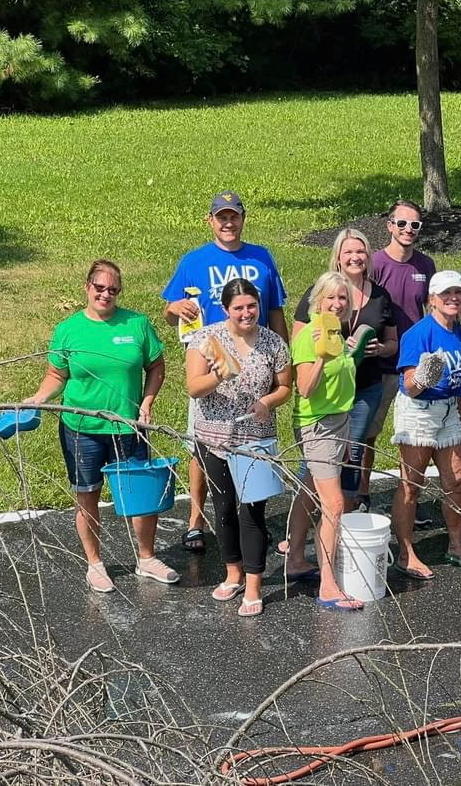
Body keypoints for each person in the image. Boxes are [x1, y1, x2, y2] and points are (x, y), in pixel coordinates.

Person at [26, 260, 175, 593]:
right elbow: (56, 375)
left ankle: (147, 558)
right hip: (81, 429)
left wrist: (147, 403)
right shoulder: (68, 329)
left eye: (113, 289)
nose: (106, 294)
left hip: (128, 426)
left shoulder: (137, 324)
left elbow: (156, 367)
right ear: (87, 287)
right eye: (100, 287)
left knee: (140, 495)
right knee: (87, 494)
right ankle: (95, 564)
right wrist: (39, 397)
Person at [162, 190, 289, 555]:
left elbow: (275, 310)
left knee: (253, 442)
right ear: (211, 221)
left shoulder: (262, 257)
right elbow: (170, 313)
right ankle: (196, 519)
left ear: (243, 219)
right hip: (211, 363)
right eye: (222, 217)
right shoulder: (194, 260)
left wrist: (283, 355)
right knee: (202, 445)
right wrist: (175, 308)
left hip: (256, 359)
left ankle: (251, 524)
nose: (228, 223)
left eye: (234, 216)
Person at [186, 278, 292, 617]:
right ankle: (233, 573)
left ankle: (255, 584)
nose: (247, 313)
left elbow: (285, 387)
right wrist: (218, 376)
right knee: (224, 508)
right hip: (212, 437)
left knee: (252, 512)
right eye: (239, 308)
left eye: (252, 306)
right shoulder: (206, 340)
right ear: (225, 309)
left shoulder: (273, 342)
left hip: (255, 439)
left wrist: (268, 401)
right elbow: (193, 388)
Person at [292, 229, 397, 511]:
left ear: (369, 256)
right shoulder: (320, 292)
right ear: (337, 257)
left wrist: (379, 349)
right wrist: (321, 355)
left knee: (352, 454)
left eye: (360, 251)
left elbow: (393, 343)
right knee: (316, 460)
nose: (355, 257)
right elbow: (299, 343)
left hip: (365, 388)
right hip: (324, 392)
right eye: (348, 251)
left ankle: (342, 516)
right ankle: (310, 518)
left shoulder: (380, 296)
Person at [390, 271, 461, 579]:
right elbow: (409, 387)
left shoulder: (456, 330)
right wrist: (422, 378)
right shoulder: (418, 334)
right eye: (446, 294)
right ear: (432, 299)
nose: (453, 298)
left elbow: (458, 385)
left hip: (449, 410)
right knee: (411, 485)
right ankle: (406, 554)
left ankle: (456, 545)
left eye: (459, 292)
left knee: (457, 482)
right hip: (419, 411)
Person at [287, 272, 364, 610]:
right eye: (330, 297)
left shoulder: (338, 333)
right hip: (317, 426)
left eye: (342, 298)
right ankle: (329, 586)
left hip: (338, 423)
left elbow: (341, 387)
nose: (337, 303)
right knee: (333, 504)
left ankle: (295, 560)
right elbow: (305, 388)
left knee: (308, 491)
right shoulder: (310, 336)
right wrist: (321, 355)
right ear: (318, 301)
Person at [363, 200, 436, 514]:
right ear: (390, 225)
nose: (408, 229)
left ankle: (409, 503)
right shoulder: (375, 263)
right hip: (379, 363)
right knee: (368, 434)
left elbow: (432, 309)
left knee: (415, 437)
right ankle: (362, 494)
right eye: (402, 223)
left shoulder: (426, 265)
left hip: (413, 364)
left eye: (414, 225)